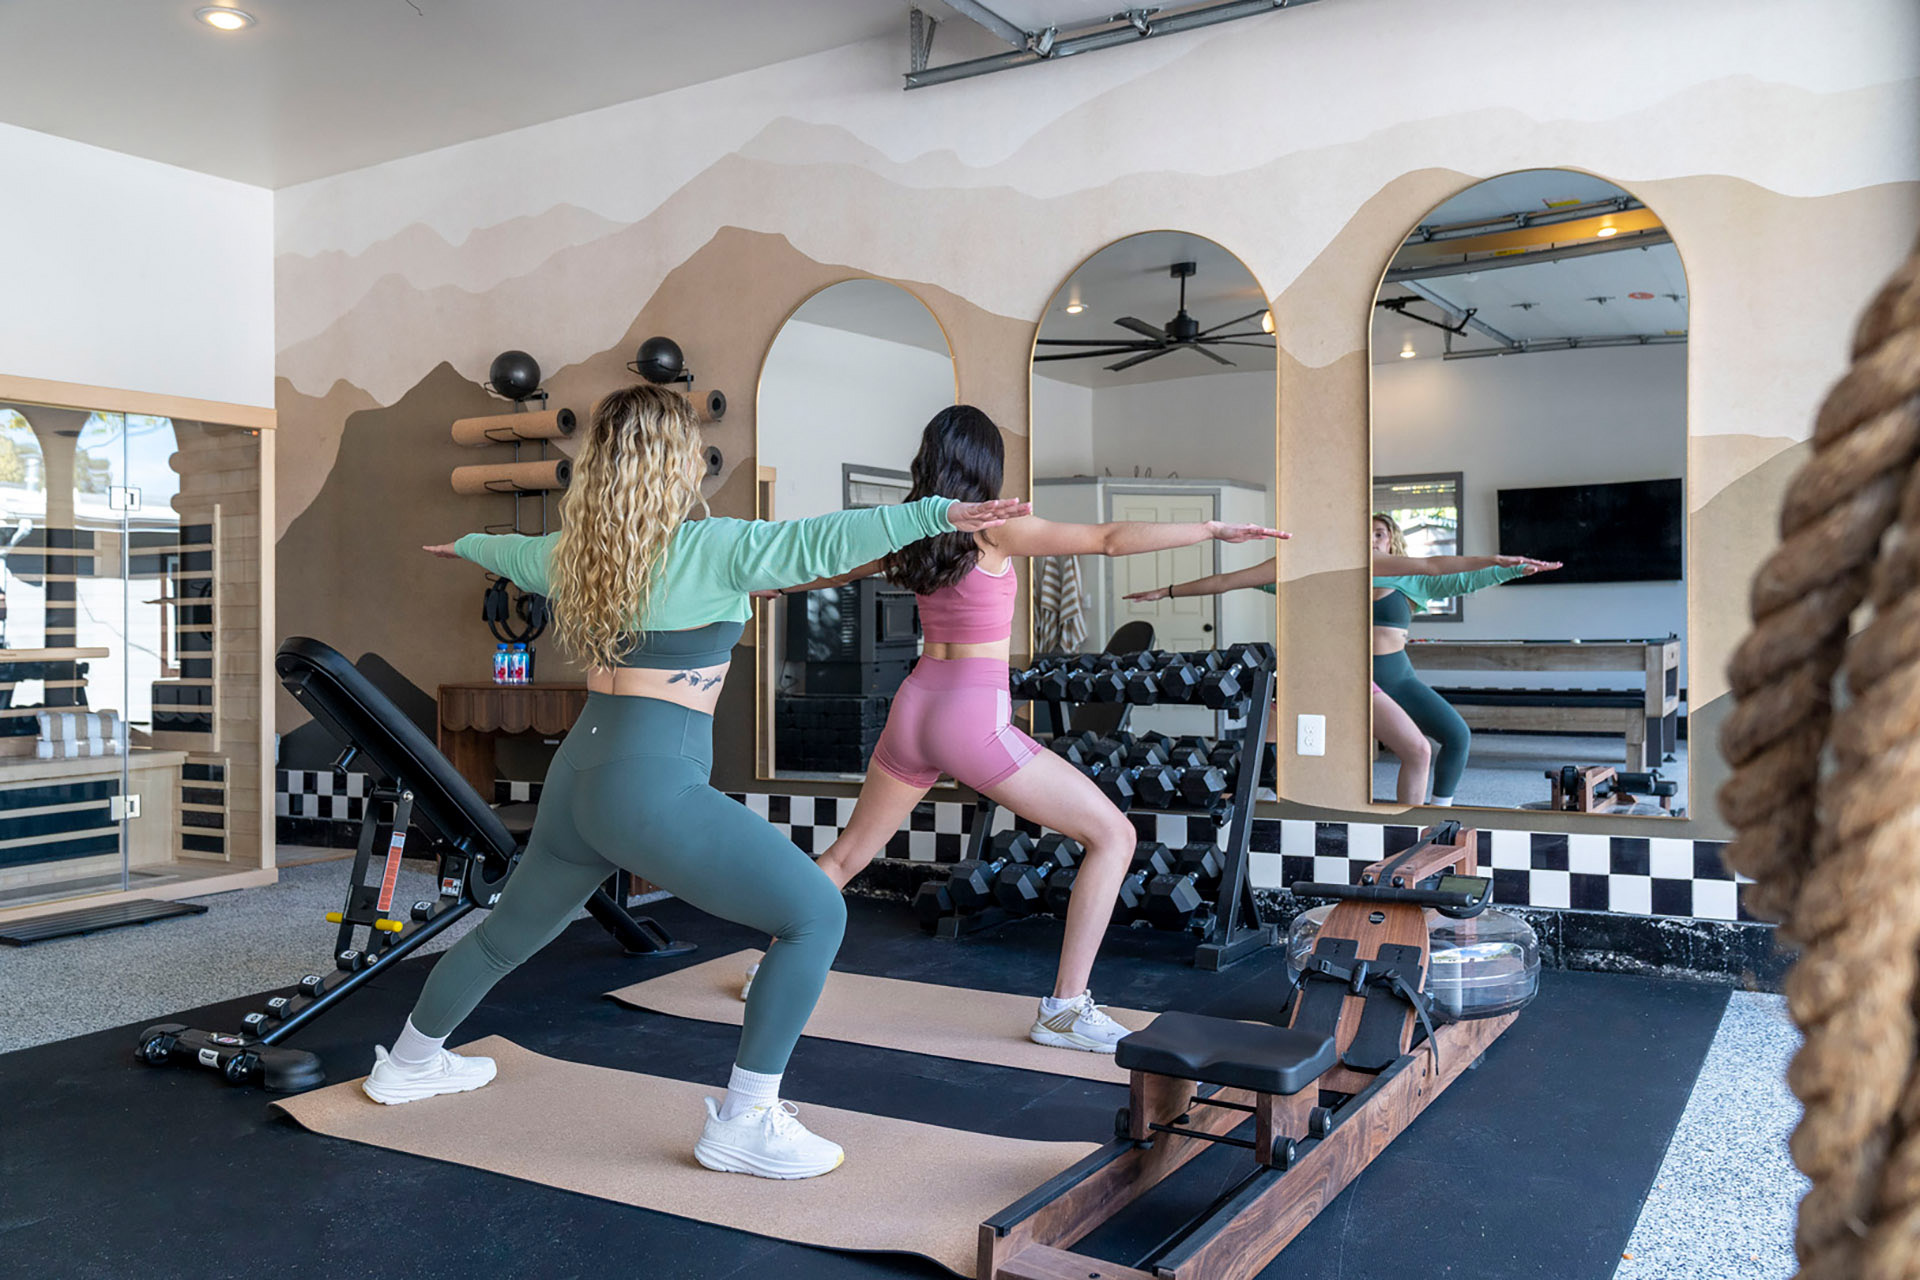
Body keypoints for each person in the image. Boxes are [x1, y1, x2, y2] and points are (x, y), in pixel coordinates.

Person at [359, 384, 1028, 1183]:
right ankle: (746, 1121)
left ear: (602, 467)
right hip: (646, 787)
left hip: (580, 778)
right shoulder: (716, 548)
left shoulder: (575, 555)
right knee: (814, 914)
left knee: (506, 938)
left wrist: (466, 541)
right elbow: (824, 539)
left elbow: (509, 553)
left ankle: (407, 1063)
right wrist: (936, 515)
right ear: (680, 463)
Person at [745, 405, 1285, 1051]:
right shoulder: (994, 531)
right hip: (969, 715)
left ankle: (769, 968)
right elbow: (1108, 538)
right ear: (986, 464)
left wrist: (768, 581)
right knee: (1111, 835)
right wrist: (1211, 527)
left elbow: (834, 569)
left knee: (845, 856)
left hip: (914, 705)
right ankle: (1064, 1009)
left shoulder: (913, 532)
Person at [1369, 513, 1559, 805]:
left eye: (1379, 533)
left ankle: (1436, 814)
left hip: (1396, 677)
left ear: (1392, 540)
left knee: (1457, 736)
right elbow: (1274, 585)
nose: (1371, 539)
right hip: (1358, 680)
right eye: (1366, 534)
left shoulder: (1412, 579)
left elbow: (1464, 582)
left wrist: (1514, 571)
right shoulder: (1342, 575)